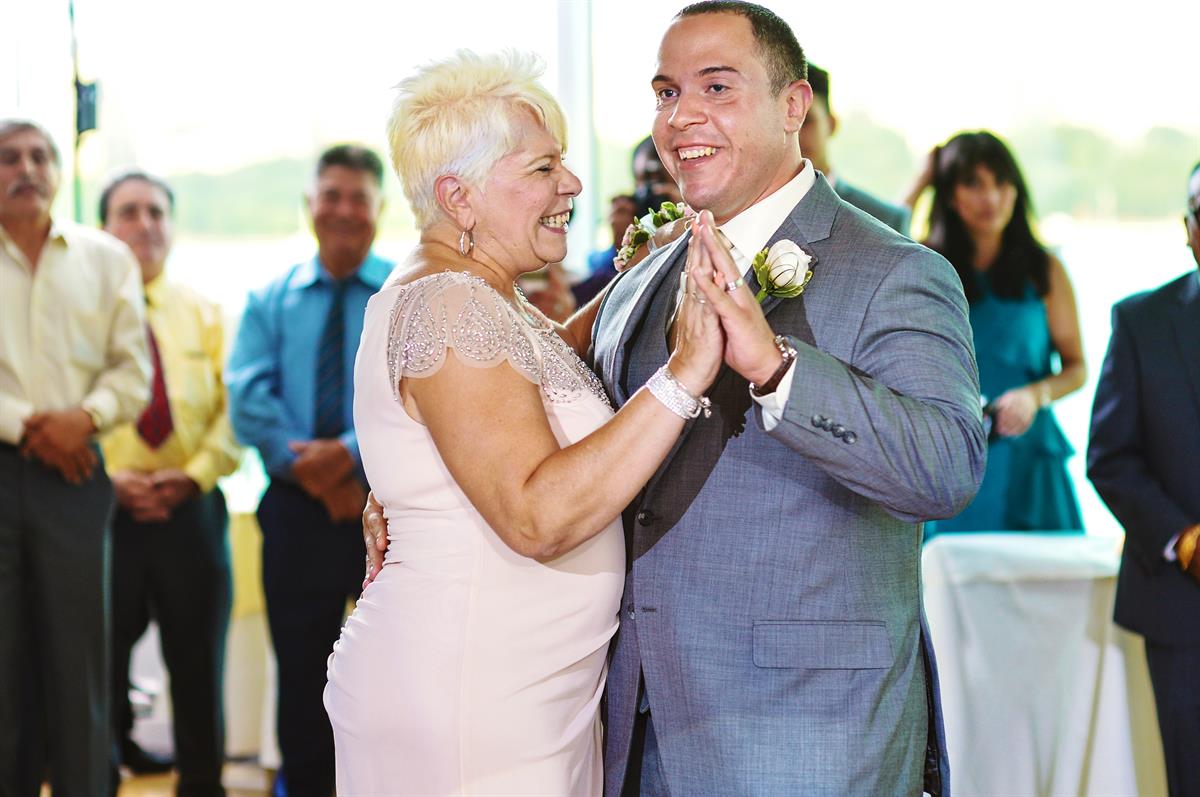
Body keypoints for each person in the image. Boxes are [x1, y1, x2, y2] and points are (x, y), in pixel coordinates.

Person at [354, 4, 982, 795]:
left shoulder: (894, 269)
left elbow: (946, 469)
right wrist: (423, 481)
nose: (681, 117)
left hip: (804, 737)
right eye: (665, 93)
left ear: (794, 105)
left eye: (716, 87)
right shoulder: (646, 275)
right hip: (628, 728)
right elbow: (531, 410)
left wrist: (777, 369)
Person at [325, 49, 723, 796]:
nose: (571, 183)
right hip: (472, 698)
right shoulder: (450, 304)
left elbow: (541, 368)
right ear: (459, 197)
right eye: (543, 168)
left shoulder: (480, 296)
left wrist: (646, 270)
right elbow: (536, 517)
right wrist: (684, 374)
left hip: (516, 691)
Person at [225, 145, 393, 797]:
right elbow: (248, 398)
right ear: (309, 205)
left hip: (389, 510)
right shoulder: (269, 300)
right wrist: (320, 475)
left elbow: (414, 394)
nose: (343, 210)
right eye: (331, 196)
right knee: (302, 677)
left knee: (392, 675)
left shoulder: (405, 294)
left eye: (358, 198)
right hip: (295, 511)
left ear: (380, 209)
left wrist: (348, 455)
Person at [0, 120, 151, 794]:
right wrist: (34, 428)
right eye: (8, 157)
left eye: (40, 156)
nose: (26, 168)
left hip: (77, 479)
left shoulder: (107, 259)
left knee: (80, 665)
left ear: (59, 172)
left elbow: (131, 371)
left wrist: (82, 421)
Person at [99, 170, 242, 794]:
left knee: (197, 666)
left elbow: (235, 410)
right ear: (104, 229)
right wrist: (108, 480)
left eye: (156, 212)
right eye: (128, 212)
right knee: (98, 666)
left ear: (173, 226)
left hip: (191, 512)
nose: (145, 224)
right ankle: (100, 773)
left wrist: (192, 475)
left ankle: (203, 784)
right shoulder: (84, 318)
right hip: (106, 514)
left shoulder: (206, 314)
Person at [1087, 162, 1200, 797]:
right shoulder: (1142, 321)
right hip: (1184, 610)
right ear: (1188, 228)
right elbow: (1110, 457)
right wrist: (1184, 540)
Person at [914, 131, 1085, 534]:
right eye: (973, 183)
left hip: (1030, 456)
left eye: (1001, 182)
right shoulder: (920, 264)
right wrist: (920, 182)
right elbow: (866, 243)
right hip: (948, 457)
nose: (990, 197)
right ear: (949, 194)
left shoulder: (1046, 269)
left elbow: (1077, 368)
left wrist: (1035, 396)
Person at [800, 63, 911, 235]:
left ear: (831, 124)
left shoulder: (885, 220)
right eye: (778, 123)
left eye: (805, 120)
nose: (792, 133)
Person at [573, 193, 637, 305]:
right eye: (612, 213)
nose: (614, 219)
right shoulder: (594, 259)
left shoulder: (641, 258)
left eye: (621, 212)